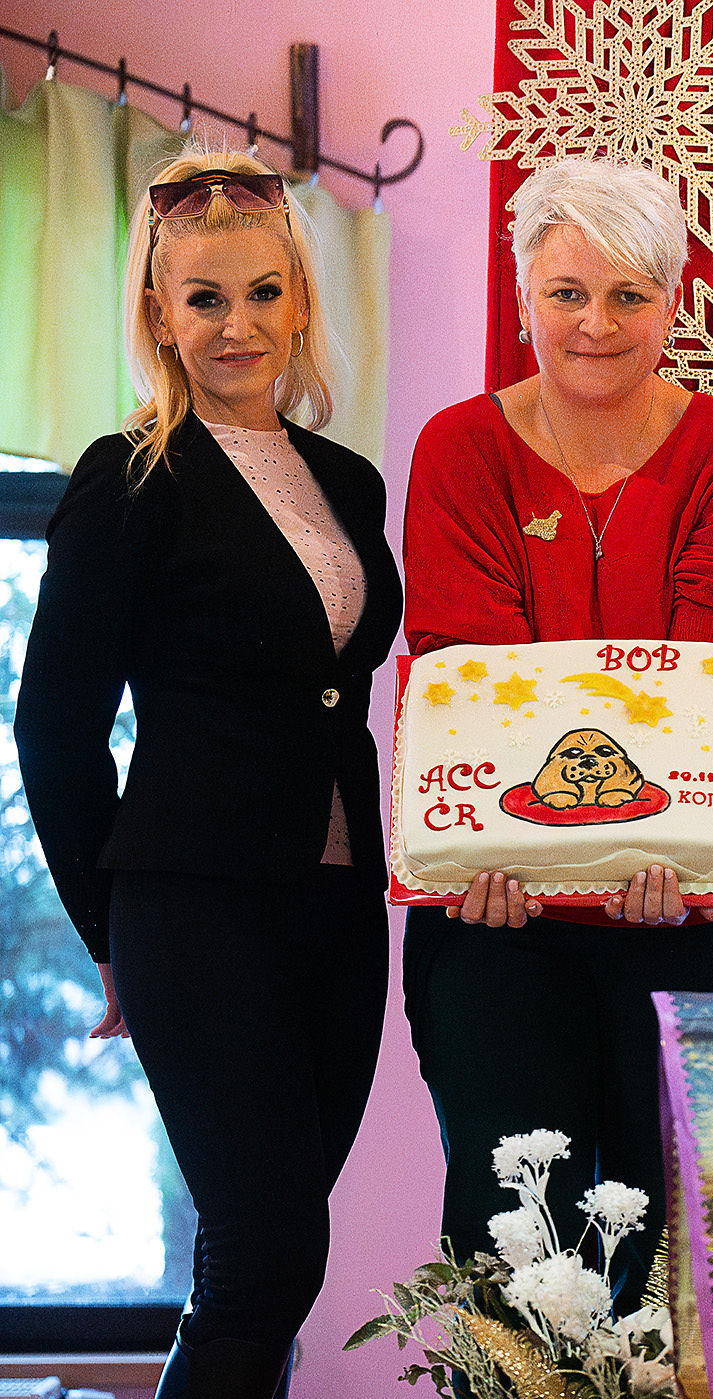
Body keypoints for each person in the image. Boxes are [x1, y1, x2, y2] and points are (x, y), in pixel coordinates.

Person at [16, 150, 402, 1398]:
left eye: (263, 293)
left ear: (300, 300)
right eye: (204, 299)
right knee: (262, 1252)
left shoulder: (347, 480)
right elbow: (54, 728)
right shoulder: (128, 478)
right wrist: (109, 932)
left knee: (281, 1256)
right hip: (193, 904)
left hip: (338, 904)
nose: (238, 326)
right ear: (159, 314)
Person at [401, 158, 713, 1309]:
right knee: (507, 1244)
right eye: (568, 292)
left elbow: (711, 688)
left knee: (687, 1266)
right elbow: (477, 677)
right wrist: (541, 850)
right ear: (522, 293)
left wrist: (658, 848)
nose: (595, 323)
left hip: (701, 923)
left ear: (674, 302)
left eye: (629, 295)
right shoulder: (457, 449)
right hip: (497, 925)